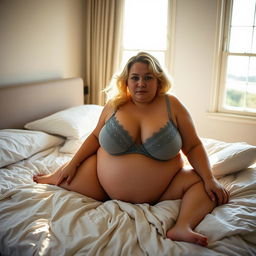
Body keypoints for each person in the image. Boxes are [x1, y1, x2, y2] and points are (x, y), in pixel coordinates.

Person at [33, 52, 229, 247]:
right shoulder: (114, 105)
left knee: (204, 183)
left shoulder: (173, 105)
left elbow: (193, 145)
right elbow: (94, 138)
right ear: (126, 81)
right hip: (100, 187)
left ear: (158, 81)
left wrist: (210, 178)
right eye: (135, 78)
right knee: (69, 172)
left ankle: (182, 227)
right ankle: (54, 175)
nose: (141, 83)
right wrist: (72, 165)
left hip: (164, 191)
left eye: (148, 78)